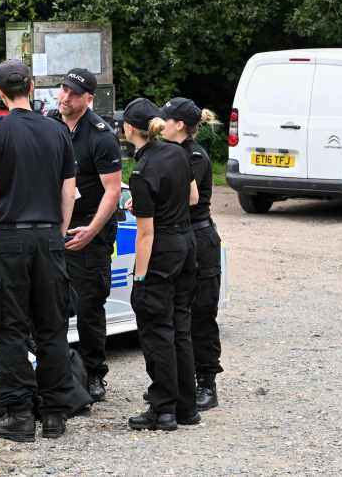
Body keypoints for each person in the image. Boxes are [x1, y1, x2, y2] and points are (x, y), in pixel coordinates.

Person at [0, 59, 91, 443]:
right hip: (49, 239)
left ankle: (18, 414)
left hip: (10, 240)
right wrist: (59, 230)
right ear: (32, 86)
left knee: (11, 328)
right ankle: (54, 414)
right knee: (52, 327)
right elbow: (68, 192)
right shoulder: (56, 132)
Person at [122, 97, 201, 431]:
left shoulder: (141, 172)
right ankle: (187, 406)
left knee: (156, 329)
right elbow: (192, 197)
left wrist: (139, 279)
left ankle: (162, 408)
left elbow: (145, 234)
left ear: (130, 129)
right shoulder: (177, 153)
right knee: (180, 329)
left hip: (162, 250)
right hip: (187, 244)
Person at [50, 68, 122, 401]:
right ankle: (54, 369)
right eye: (63, 90)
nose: (64, 97)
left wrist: (92, 231)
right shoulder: (50, 124)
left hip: (88, 228)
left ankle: (95, 374)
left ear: (88, 98)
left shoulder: (100, 135)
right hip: (54, 226)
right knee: (50, 303)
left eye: (73, 93)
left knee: (90, 304)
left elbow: (112, 191)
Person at [161, 97, 223, 411]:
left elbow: (186, 198)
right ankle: (179, 382)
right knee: (177, 312)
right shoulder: (170, 153)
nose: (161, 125)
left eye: (166, 119)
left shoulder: (194, 156)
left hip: (199, 238)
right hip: (179, 235)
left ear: (180, 125)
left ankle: (207, 382)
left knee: (201, 313)